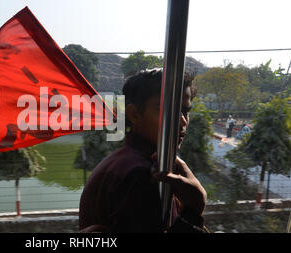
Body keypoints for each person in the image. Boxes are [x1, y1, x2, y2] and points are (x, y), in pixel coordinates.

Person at [79, 69, 208, 233]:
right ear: (134, 114)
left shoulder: (128, 161)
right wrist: (194, 208)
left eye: (185, 111)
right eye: (168, 110)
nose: (182, 121)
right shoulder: (142, 175)